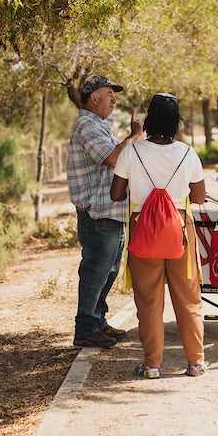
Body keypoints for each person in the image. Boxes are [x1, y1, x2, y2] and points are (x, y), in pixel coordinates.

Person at [110, 93, 207, 379]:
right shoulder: (188, 153)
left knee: (149, 302)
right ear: (177, 122)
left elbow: (117, 194)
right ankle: (196, 362)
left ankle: (152, 364)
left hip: (144, 230)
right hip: (179, 230)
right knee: (188, 298)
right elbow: (199, 197)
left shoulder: (132, 152)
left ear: (149, 120)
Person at [67, 75, 142, 349]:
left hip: (109, 212)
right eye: (109, 93)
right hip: (97, 214)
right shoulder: (87, 124)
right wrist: (133, 136)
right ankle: (86, 328)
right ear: (93, 96)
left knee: (108, 271)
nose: (113, 99)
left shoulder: (100, 125)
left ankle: (97, 322)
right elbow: (112, 158)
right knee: (96, 270)